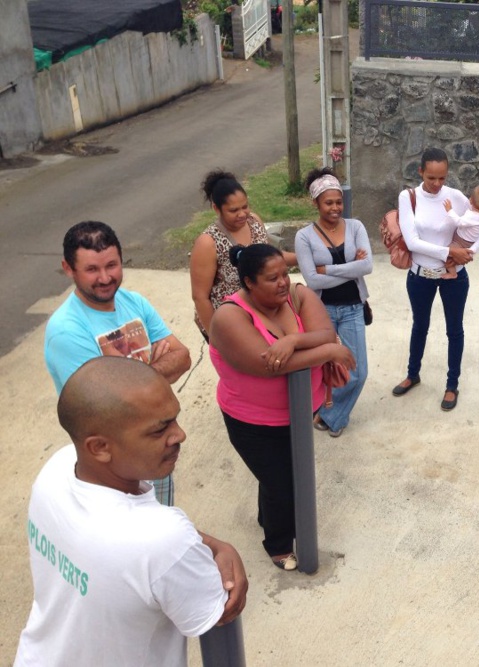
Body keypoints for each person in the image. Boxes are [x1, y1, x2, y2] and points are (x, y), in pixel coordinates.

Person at [15, 357, 247, 667]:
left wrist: (211, 544)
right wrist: (212, 555)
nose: (179, 435)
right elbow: (217, 613)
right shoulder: (163, 538)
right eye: (159, 430)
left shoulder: (58, 468)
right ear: (99, 448)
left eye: (175, 419)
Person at [209, 243, 355, 571]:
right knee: (282, 483)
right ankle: (277, 544)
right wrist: (329, 352)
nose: (282, 282)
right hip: (252, 422)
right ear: (249, 283)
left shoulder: (297, 295)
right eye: (271, 278)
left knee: (280, 477)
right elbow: (268, 365)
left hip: (298, 413)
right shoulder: (230, 316)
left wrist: (292, 341)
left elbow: (325, 331)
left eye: (284, 274)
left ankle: (267, 516)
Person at [44, 221, 191, 506]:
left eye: (111, 265)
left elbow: (183, 357)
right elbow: (106, 406)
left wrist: (132, 380)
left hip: (155, 448)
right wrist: (153, 369)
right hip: (114, 468)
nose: (104, 277)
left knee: (161, 524)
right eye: (91, 269)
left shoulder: (133, 302)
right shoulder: (67, 330)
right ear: (68, 269)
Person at [391, 147, 479, 411]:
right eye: (431, 177)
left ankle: (452, 385)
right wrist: (449, 251)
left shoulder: (456, 197)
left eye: (442, 178)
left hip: (454, 277)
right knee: (419, 325)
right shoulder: (407, 197)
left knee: (454, 330)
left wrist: (468, 253)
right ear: (420, 172)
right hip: (421, 275)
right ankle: (413, 374)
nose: (436, 184)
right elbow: (412, 241)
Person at [295, 168, 372, 437]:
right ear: (316, 203)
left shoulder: (356, 227)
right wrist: (352, 266)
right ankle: (315, 406)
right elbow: (312, 282)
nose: (335, 208)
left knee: (358, 371)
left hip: (352, 309)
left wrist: (328, 270)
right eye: (328, 202)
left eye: (338, 202)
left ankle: (331, 415)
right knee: (319, 366)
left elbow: (368, 266)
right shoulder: (304, 236)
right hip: (320, 311)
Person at [190, 169, 297, 340]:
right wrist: (217, 339)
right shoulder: (208, 243)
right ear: (216, 208)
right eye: (233, 210)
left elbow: (269, 260)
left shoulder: (254, 221)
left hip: (263, 313)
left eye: (245, 207)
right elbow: (200, 297)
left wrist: (302, 257)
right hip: (230, 323)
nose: (242, 214)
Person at [442, 184, 479, 278]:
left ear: (470, 200)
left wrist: (449, 210)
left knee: (447, 254)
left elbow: (459, 222)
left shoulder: (472, 216)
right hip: (469, 241)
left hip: (462, 242)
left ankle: (453, 273)